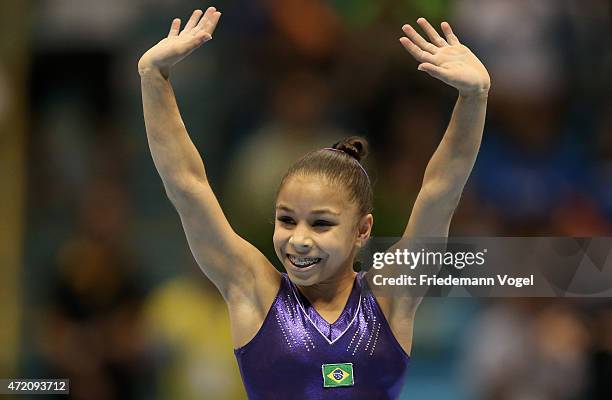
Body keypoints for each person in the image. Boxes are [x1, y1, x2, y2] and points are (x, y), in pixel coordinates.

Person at [138, 5, 490, 399]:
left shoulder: (392, 295)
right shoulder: (254, 290)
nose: (299, 239)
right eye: (287, 220)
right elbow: (187, 185)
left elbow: (442, 188)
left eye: (320, 224)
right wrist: (153, 78)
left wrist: (474, 97)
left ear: (362, 230)